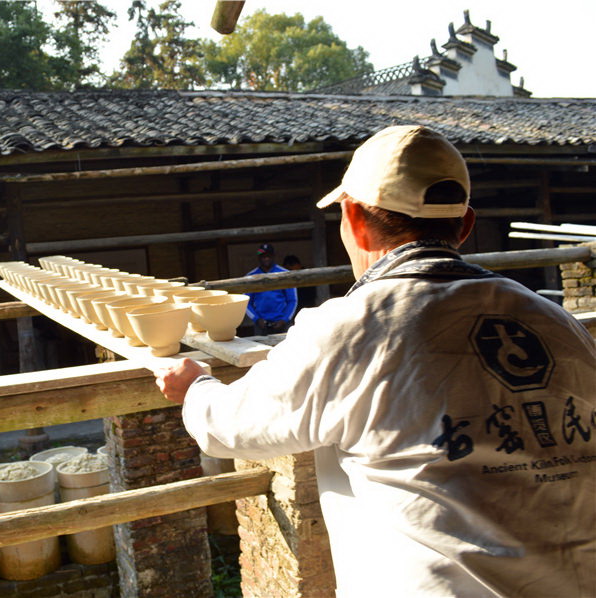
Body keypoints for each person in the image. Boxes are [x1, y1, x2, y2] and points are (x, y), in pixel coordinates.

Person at [155, 126, 595, 597]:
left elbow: (234, 427)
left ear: (354, 219)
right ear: (465, 225)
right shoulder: (556, 321)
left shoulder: (355, 326)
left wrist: (195, 387)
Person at [245, 243, 297, 335]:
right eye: (263, 256)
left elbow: (292, 300)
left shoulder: (285, 274)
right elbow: (246, 303)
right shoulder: (250, 277)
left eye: (268, 256)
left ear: (273, 256)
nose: (266, 258)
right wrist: (257, 319)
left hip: (282, 324)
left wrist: (284, 319)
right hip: (261, 324)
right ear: (259, 257)